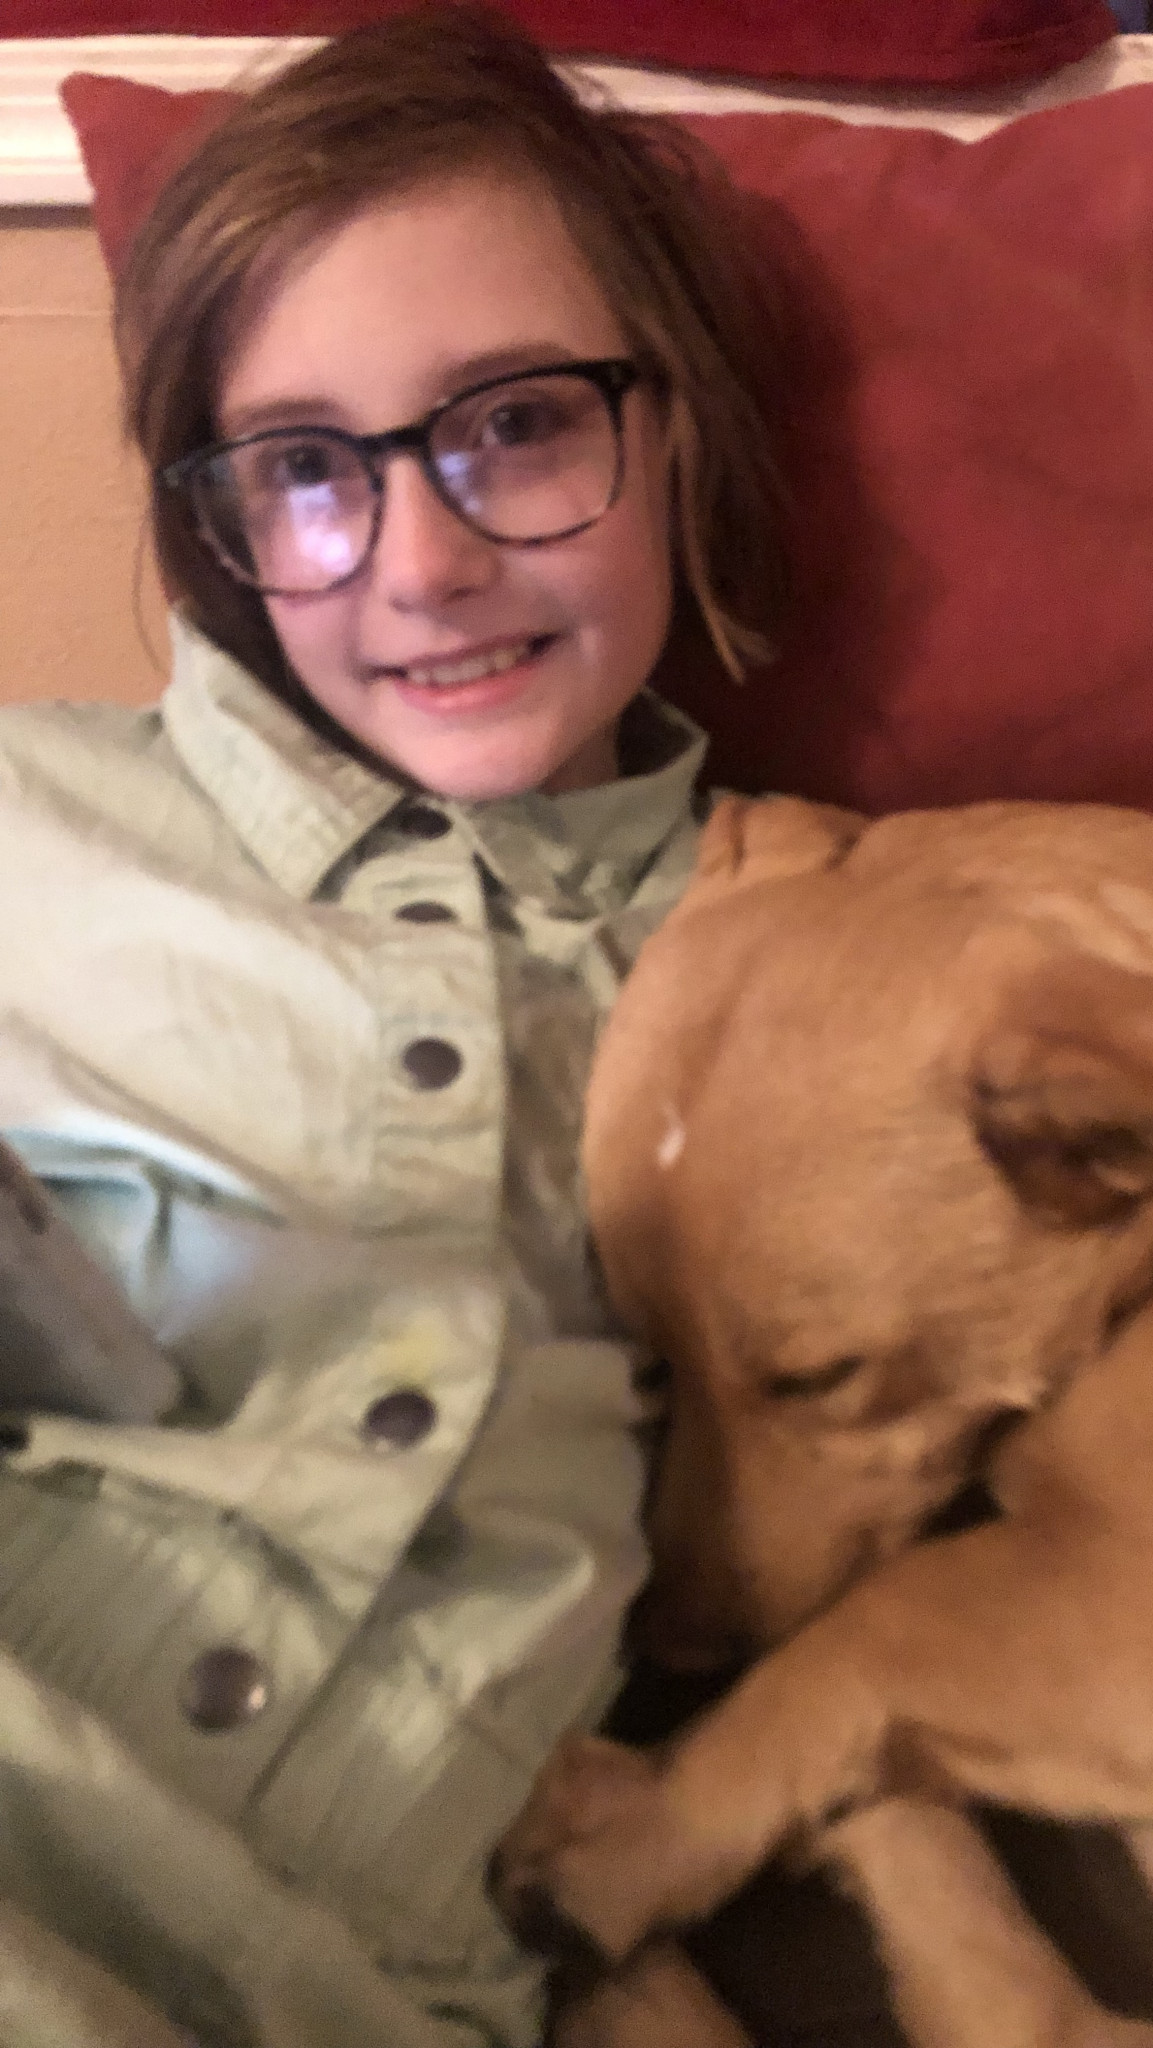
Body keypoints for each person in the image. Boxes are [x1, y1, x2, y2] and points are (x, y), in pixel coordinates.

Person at [0, 9, 788, 2044]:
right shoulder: (24, 820)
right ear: (223, 529)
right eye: (303, 469)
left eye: (516, 423)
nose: (423, 563)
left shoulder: (813, 954)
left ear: (677, 424)